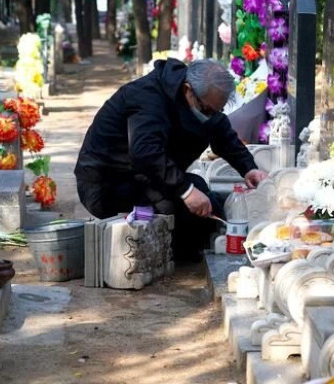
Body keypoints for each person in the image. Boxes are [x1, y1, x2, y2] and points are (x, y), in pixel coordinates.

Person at [74, 58, 267, 262]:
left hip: (146, 178)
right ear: (188, 89)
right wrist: (185, 190)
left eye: (217, 111)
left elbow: (221, 131)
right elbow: (145, 152)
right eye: (207, 110)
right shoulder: (147, 96)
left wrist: (248, 168)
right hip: (107, 184)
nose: (210, 116)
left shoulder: (200, 101)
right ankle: (161, 257)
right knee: (179, 210)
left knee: (207, 202)